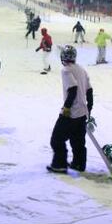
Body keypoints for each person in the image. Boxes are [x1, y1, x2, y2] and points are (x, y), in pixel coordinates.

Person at [47, 45, 93, 173]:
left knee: (56, 139)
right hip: (82, 113)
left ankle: (60, 164)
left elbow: (73, 89)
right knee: (77, 140)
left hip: (71, 113)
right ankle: (79, 164)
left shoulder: (66, 70)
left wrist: (67, 108)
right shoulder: (81, 69)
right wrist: (89, 108)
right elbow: (89, 90)